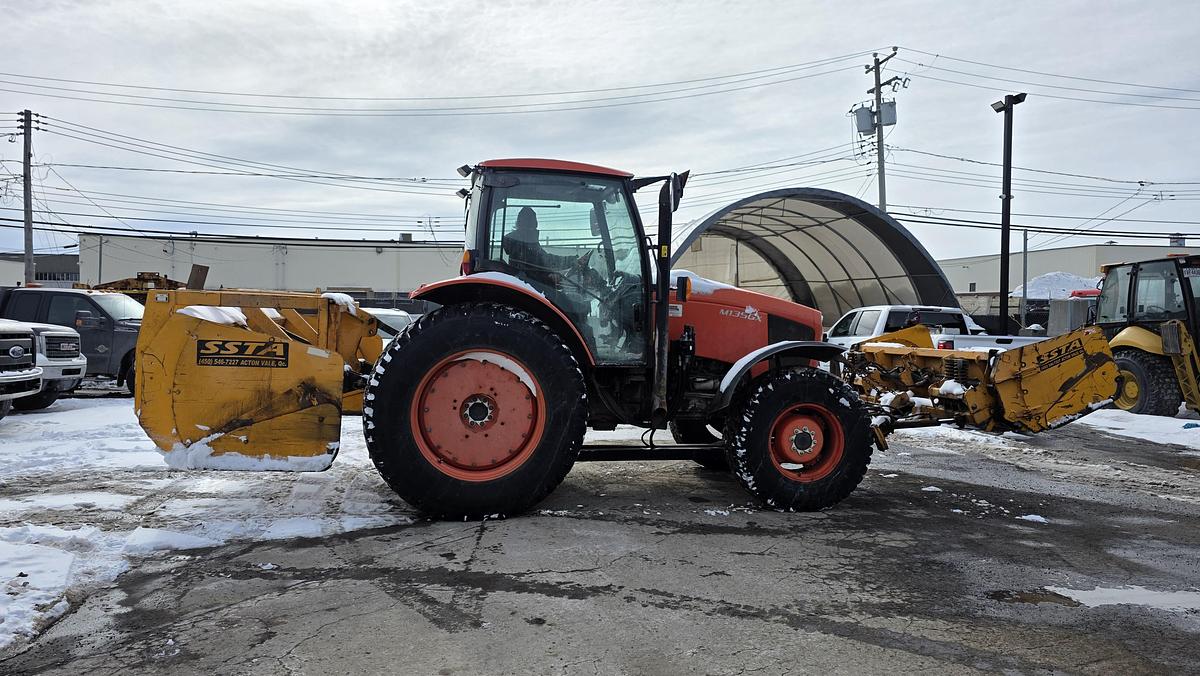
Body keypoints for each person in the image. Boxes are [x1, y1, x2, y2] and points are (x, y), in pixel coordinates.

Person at [501, 206, 588, 284]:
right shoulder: (522, 243)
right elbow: (530, 271)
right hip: (527, 289)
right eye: (532, 225)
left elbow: (540, 263)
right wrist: (548, 277)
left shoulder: (523, 241)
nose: (534, 229)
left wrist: (572, 260)